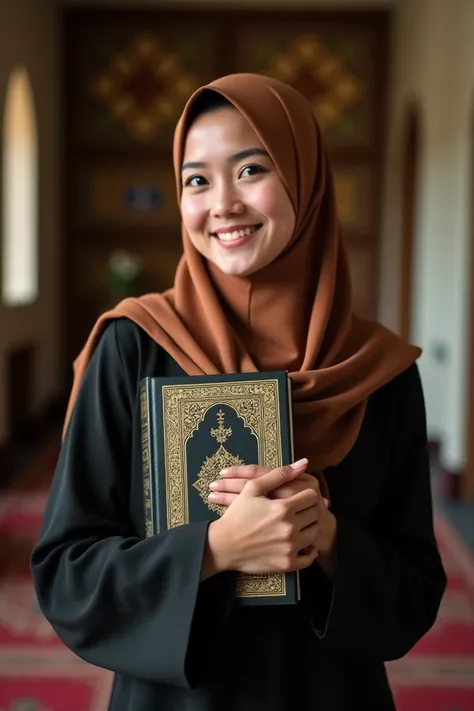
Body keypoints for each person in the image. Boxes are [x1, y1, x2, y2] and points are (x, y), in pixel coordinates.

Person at [31, 73, 446, 711]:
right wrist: (216, 549)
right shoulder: (135, 347)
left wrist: (327, 539)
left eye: (252, 170)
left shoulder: (379, 371)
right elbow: (67, 574)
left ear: (305, 181)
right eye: (197, 179)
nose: (221, 203)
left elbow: (414, 595)